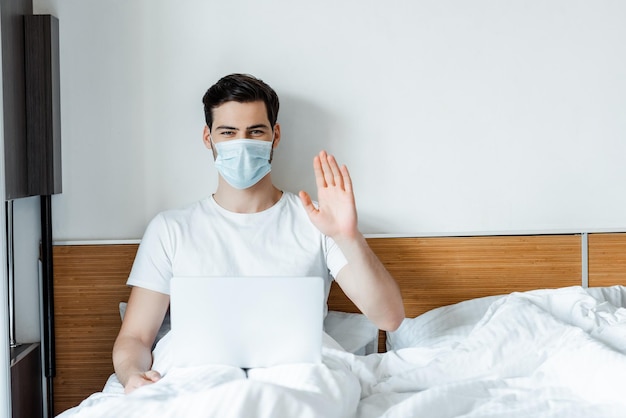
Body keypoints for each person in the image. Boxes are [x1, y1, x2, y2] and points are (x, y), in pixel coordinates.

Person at [112, 73, 405, 394]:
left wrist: (348, 236)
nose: (243, 143)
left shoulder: (318, 221)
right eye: (228, 132)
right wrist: (132, 375)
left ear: (274, 136)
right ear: (208, 138)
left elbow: (389, 318)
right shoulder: (170, 229)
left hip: (297, 379)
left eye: (255, 132)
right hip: (199, 380)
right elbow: (136, 338)